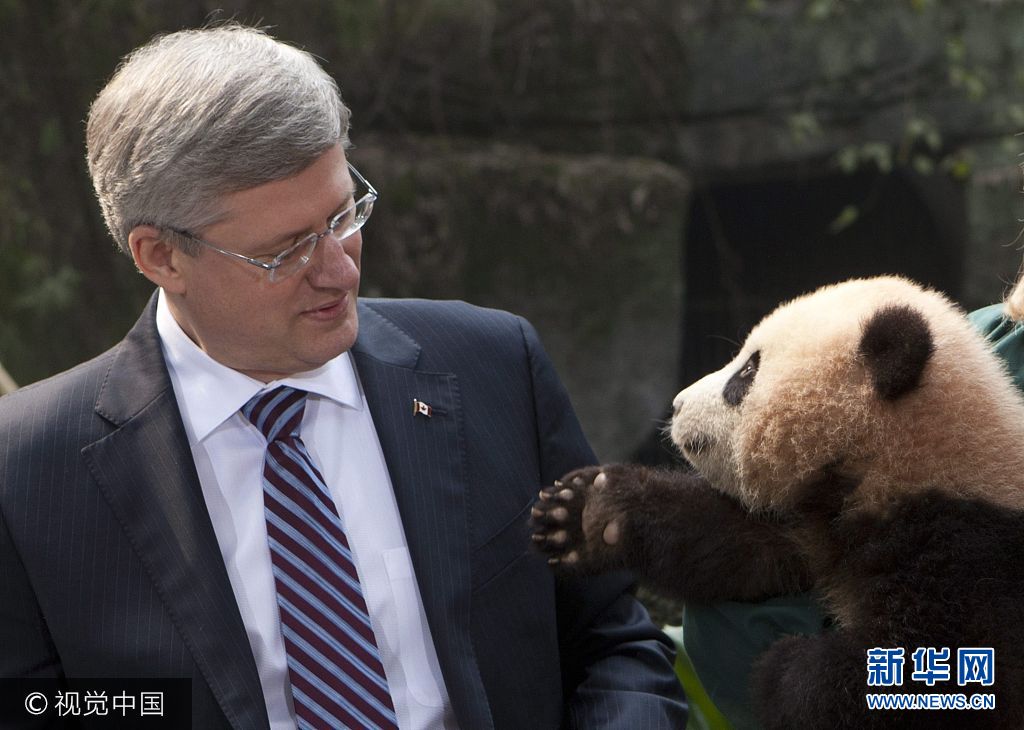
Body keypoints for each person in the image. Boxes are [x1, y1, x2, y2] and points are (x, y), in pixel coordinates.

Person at [0, 24, 688, 729]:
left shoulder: (493, 365)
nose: (339, 269)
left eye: (343, 214)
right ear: (160, 256)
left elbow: (614, 643)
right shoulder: (28, 468)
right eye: (286, 249)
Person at [679, 268, 1024, 730]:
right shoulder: (989, 338)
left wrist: (813, 682)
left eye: (748, 372)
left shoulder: (966, 551)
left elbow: (960, 685)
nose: (684, 399)